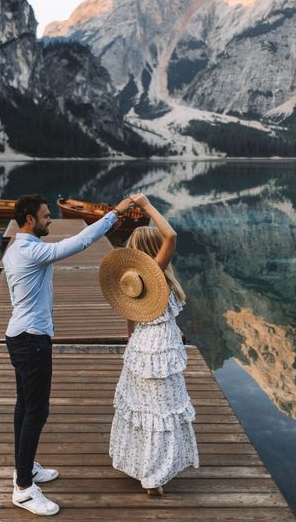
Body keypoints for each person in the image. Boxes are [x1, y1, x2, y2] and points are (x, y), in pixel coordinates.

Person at [3, 193, 134, 516]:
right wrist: (115, 213)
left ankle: (25, 467)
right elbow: (79, 242)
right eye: (46, 216)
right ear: (30, 219)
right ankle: (22, 488)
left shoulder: (14, 249)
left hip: (20, 336)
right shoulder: (32, 250)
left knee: (25, 406)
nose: (50, 221)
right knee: (37, 411)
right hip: (32, 340)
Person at [109, 193, 199, 495]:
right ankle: (155, 476)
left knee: (143, 407)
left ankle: (142, 464)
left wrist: (130, 339)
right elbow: (170, 234)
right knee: (162, 409)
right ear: (153, 250)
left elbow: (129, 312)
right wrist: (147, 207)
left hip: (141, 345)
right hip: (160, 347)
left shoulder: (131, 278)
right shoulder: (153, 273)